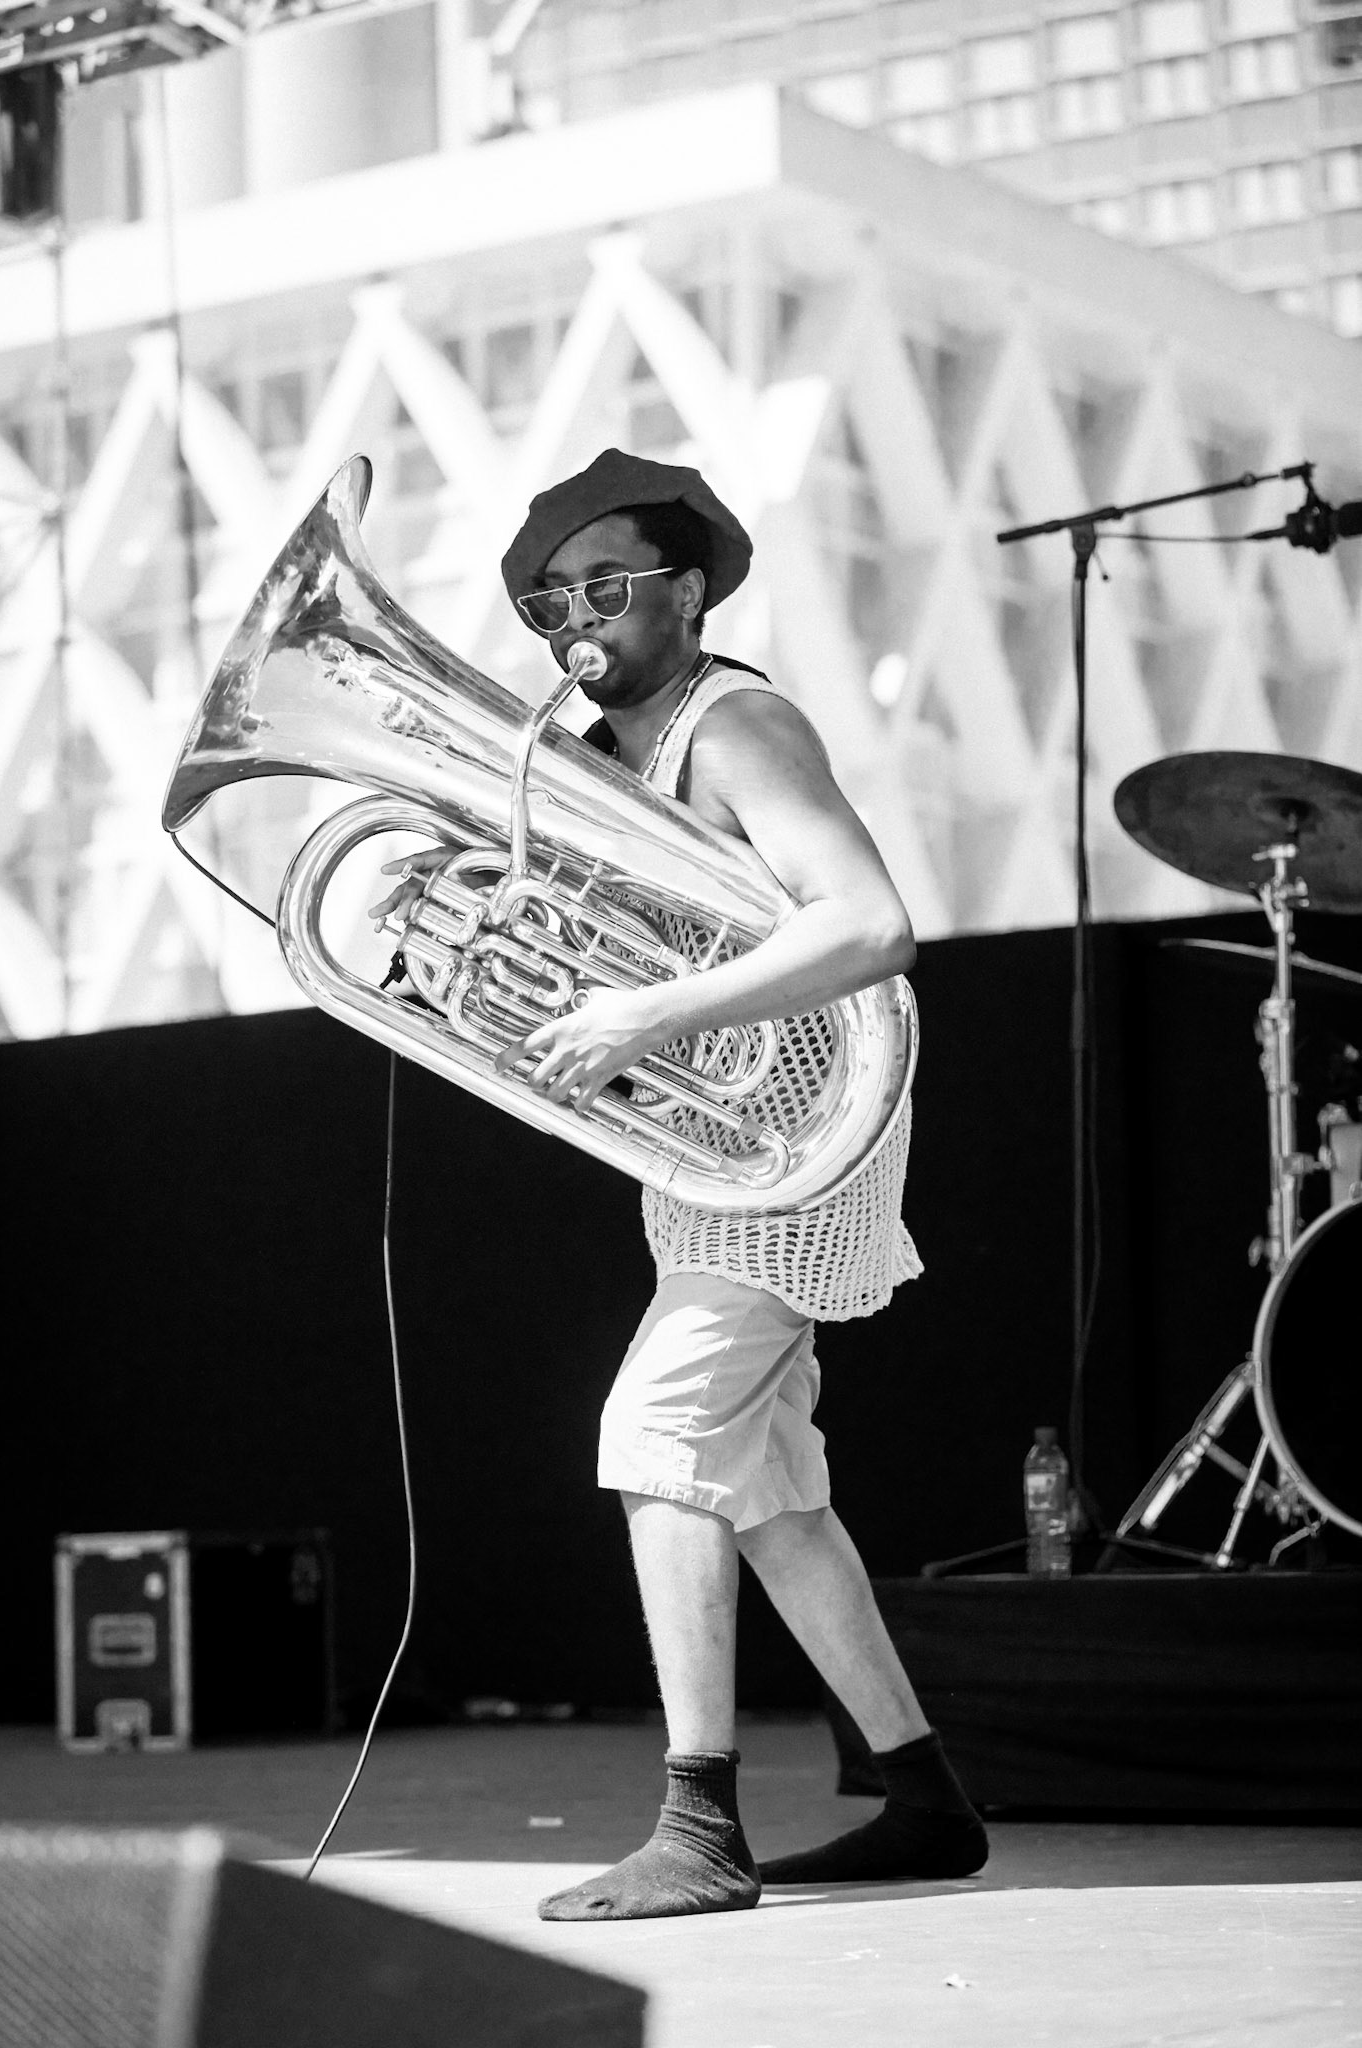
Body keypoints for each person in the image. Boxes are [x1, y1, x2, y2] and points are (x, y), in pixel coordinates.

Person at [376, 448, 987, 1921]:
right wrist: (454, 946)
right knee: (771, 1490)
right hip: (723, 1147)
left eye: (606, 587)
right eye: (548, 602)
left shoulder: (738, 724)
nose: (571, 620)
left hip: (801, 1134)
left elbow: (870, 923)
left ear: (691, 591)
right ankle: (923, 1801)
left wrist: (640, 1018)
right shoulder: (608, 755)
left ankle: (699, 1823)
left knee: (655, 1436)